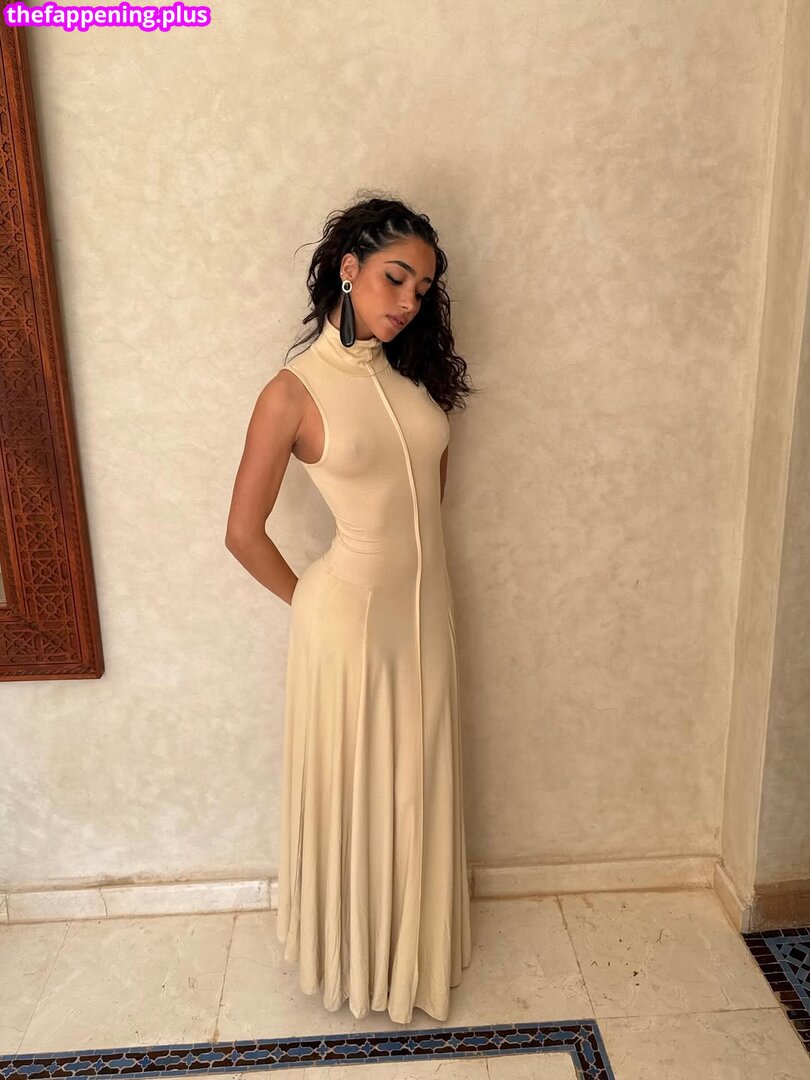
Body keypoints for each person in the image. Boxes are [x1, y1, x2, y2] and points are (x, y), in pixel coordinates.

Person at [225, 194, 478, 1024]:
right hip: (346, 621)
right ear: (348, 268)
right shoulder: (292, 392)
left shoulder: (409, 382)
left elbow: (426, 499)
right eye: (395, 278)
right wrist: (310, 604)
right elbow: (242, 533)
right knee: (365, 789)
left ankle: (410, 950)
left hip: (428, 613)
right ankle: (355, 957)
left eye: (422, 289)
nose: (407, 301)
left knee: (415, 783)